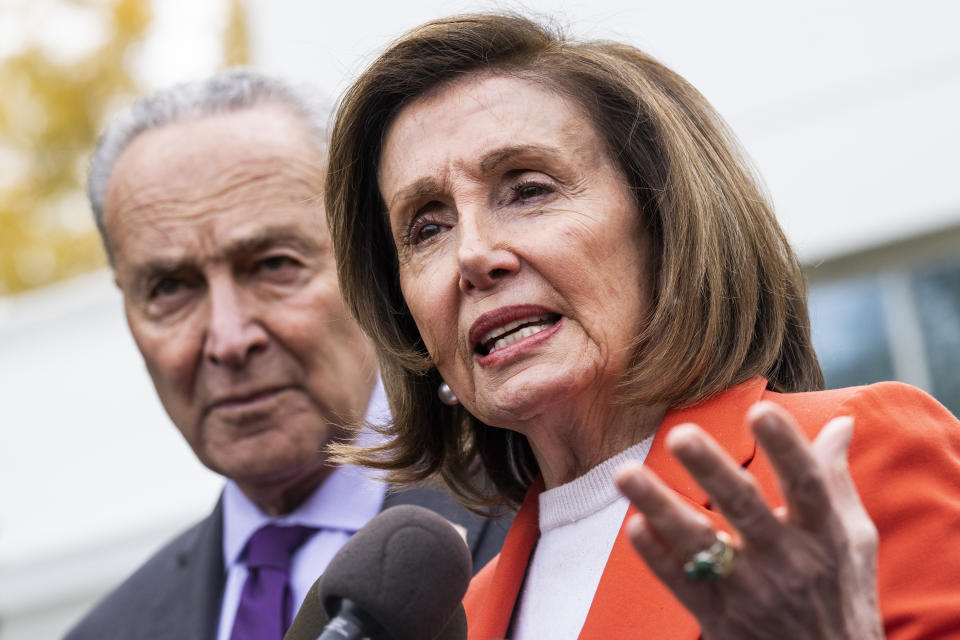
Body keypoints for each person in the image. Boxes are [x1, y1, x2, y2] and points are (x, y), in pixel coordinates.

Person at [323, 13, 960, 640]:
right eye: (427, 228)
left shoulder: (855, 464)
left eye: (528, 190)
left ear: (664, 226)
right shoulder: (460, 614)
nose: (473, 254)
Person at [65, 69, 508, 640]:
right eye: (170, 288)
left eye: (274, 265)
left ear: (367, 263)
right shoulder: (109, 632)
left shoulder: (544, 517)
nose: (227, 339)